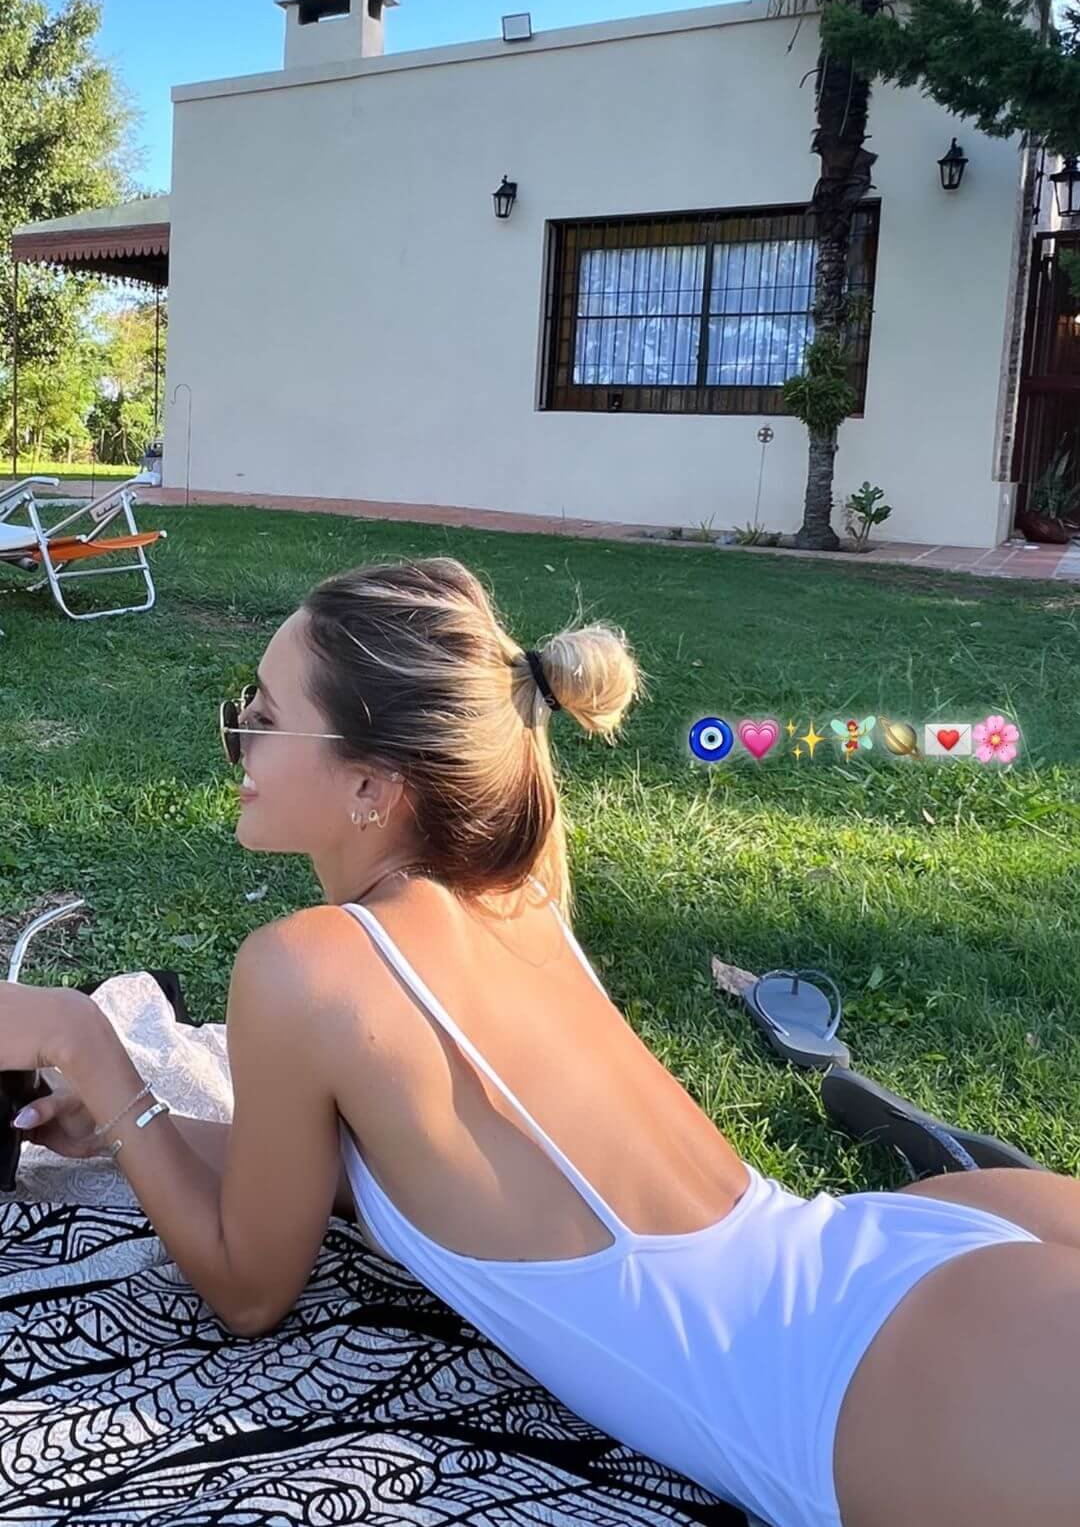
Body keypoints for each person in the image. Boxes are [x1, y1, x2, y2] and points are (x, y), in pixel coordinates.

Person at [4, 555, 1079, 1527]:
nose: (240, 734)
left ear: (373, 784)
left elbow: (248, 1289)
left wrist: (80, 1033)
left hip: (862, 1390)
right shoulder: (514, 895)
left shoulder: (307, 967)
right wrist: (136, 1126)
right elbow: (363, 1174)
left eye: (267, 714)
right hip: (906, 1258)